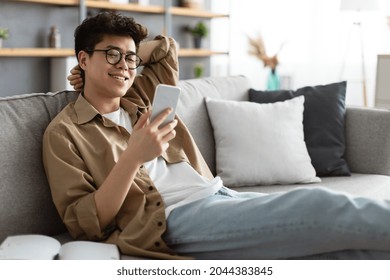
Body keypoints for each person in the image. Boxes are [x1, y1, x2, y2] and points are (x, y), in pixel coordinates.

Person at [43, 12, 390, 260]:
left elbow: (165, 49)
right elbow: (85, 223)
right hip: (173, 219)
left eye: (130, 58)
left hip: (219, 195)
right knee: (322, 206)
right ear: (83, 60)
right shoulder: (65, 133)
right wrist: (134, 157)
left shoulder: (141, 97)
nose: (124, 66)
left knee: (349, 254)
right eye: (112, 55)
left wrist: (127, 54)